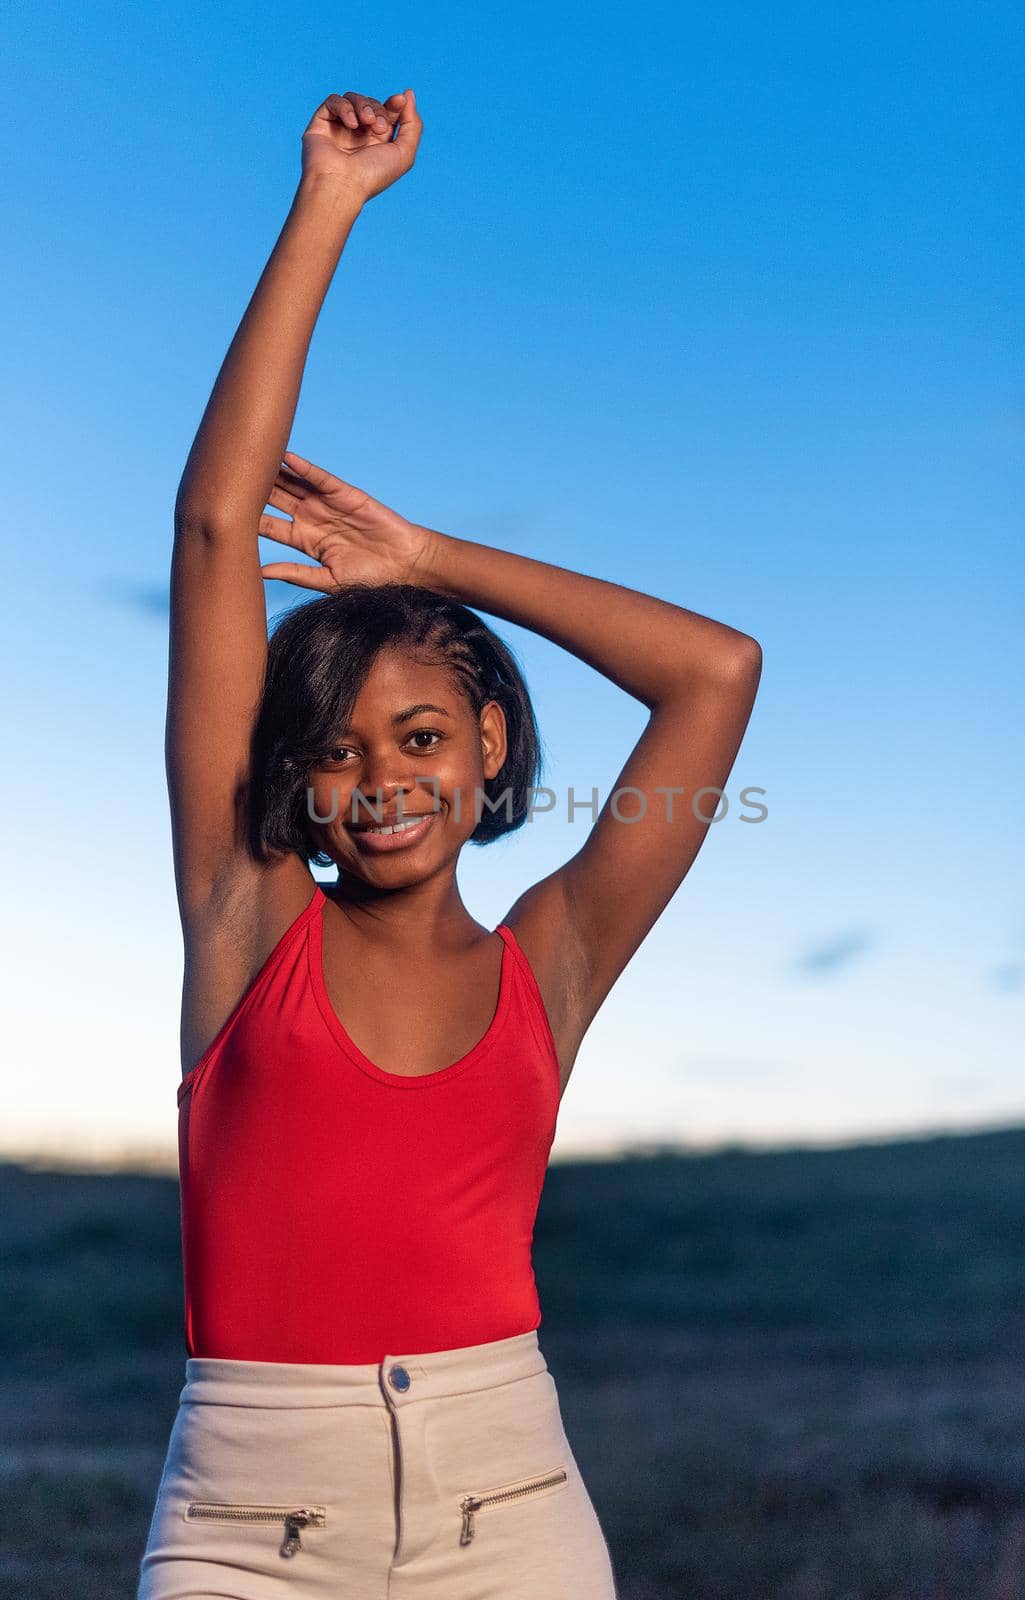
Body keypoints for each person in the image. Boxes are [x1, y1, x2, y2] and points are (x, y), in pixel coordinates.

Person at [137, 85, 762, 1600]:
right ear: (297, 775)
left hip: (515, 1509)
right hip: (250, 1532)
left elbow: (715, 672)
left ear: (489, 749)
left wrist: (426, 561)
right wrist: (328, 207)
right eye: (339, 750)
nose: (382, 781)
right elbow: (221, 530)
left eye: (422, 739)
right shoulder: (248, 914)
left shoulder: (557, 959)